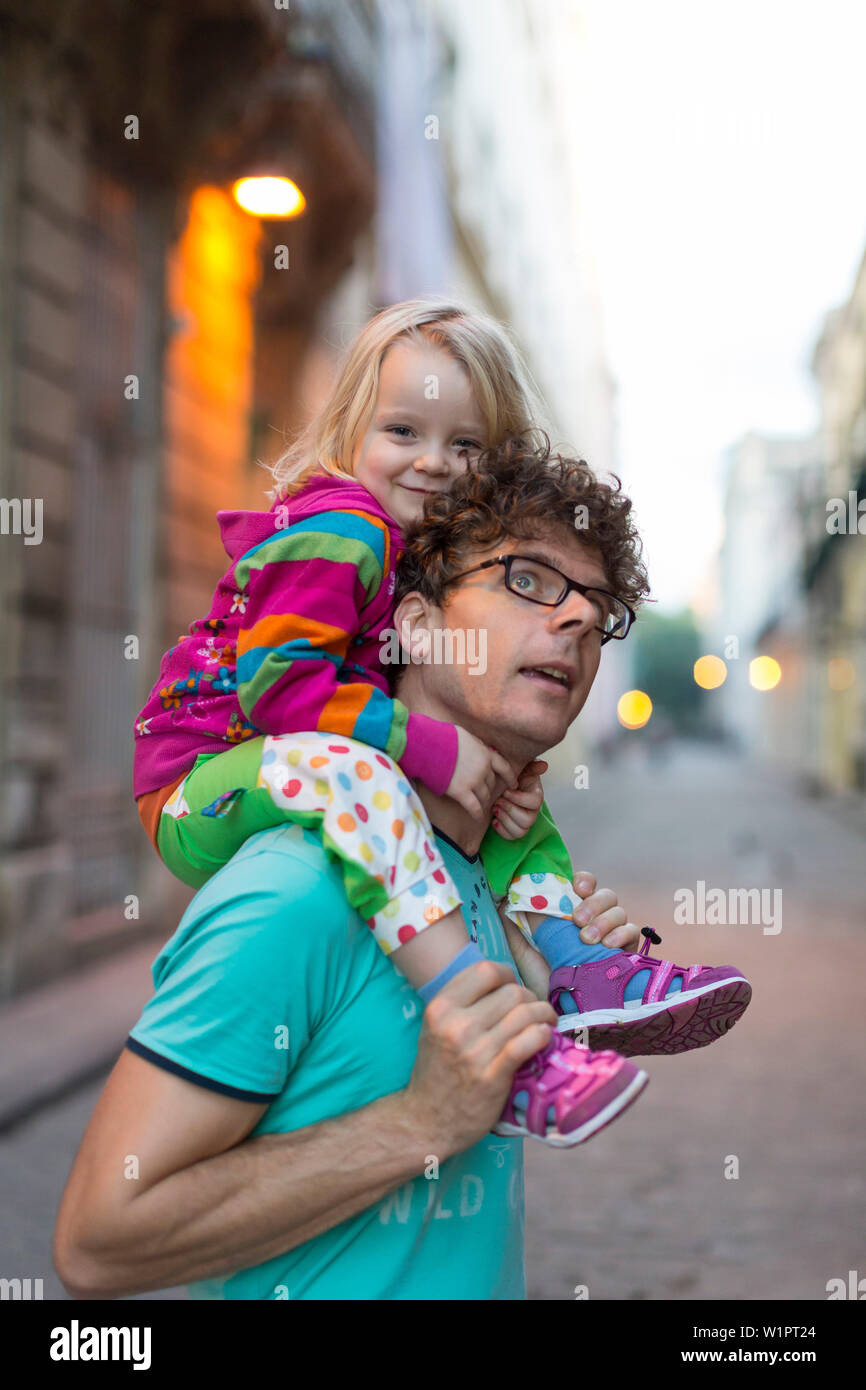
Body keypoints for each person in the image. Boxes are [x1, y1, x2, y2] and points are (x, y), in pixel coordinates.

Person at [54, 440, 751, 1301]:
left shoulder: (485, 890)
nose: (575, 620)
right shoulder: (294, 890)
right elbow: (97, 1241)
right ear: (416, 626)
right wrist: (420, 1122)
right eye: (528, 579)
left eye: (597, 608)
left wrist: (556, 968)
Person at [130, 299, 747, 1144]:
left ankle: (573, 969)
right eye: (404, 432)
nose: (433, 463)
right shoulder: (341, 530)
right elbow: (279, 685)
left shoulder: (395, 551)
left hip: (287, 762)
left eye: (465, 446)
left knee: (496, 798)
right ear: (352, 430)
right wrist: (425, 742)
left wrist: (506, 806)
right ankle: (492, 1036)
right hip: (200, 779)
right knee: (363, 773)